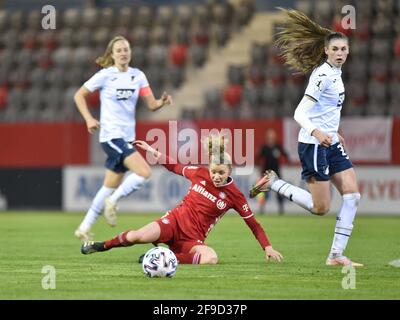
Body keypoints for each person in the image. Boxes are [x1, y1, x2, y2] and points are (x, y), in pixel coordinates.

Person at [250, 9, 363, 267]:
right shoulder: (322, 76)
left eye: (344, 49)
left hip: (330, 141)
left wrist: (334, 133)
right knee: (320, 207)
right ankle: (274, 183)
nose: (340, 53)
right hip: (313, 145)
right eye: (335, 49)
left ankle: (336, 256)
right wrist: (318, 132)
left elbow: (327, 111)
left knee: (353, 195)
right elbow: (299, 112)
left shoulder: (336, 73)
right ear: (326, 51)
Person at [81, 135, 283, 264]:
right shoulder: (199, 173)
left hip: (192, 239)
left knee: (210, 258)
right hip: (173, 222)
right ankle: (100, 245)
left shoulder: (235, 195)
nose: (216, 176)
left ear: (229, 170)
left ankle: (161, 257)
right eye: (214, 171)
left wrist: (268, 247)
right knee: (136, 237)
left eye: (221, 172)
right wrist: (151, 151)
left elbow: (254, 225)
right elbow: (174, 166)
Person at [74, 36, 172, 241]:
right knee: (144, 172)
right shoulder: (105, 75)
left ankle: (84, 227)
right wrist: (89, 118)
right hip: (111, 136)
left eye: (126, 49)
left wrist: (162, 102)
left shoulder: (138, 76)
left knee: (108, 185)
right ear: (112, 54)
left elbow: (151, 104)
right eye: (118, 50)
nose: (123, 53)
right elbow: (79, 95)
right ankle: (114, 201)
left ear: (130, 52)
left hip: (127, 138)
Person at [256, 128, 289, 215]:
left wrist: (287, 162)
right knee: (263, 193)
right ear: (267, 137)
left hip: (276, 174)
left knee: (279, 192)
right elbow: (258, 157)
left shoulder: (278, 147)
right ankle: (262, 209)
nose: (271, 138)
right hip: (266, 174)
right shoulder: (264, 147)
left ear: (274, 137)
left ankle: (281, 210)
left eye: (272, 136)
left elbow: (285, 154)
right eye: (269, 136)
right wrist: (259, 169)